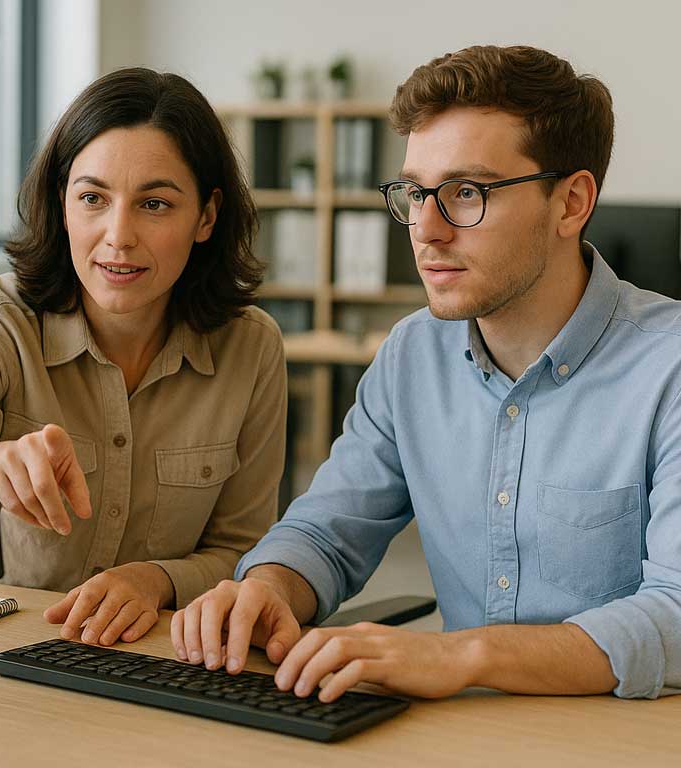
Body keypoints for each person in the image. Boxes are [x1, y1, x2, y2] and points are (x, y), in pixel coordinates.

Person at [172, 44, 681, 702]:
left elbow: (676, 615)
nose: (426, 230)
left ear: (571, 202)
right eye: (416, 192)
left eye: (467, 192)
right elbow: (327, 531)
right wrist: (267, 587)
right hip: (457, 734)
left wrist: (463, 654)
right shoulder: (412, 354)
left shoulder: (667, 368)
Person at [0, 68, 286, 647]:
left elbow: (245, 553)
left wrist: (156, 581)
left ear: (205, 217)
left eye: (154, 204)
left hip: (155, 656)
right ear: (61, 202)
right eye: (93, 198)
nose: (117, 235)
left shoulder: (251, 348)